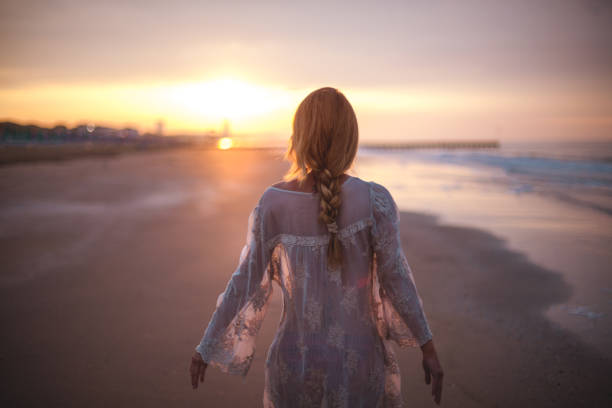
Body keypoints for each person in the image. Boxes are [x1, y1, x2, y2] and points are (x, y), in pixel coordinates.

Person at [190, 87, 443, 407]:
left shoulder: (274, 202)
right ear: (349, 139)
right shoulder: (374, 200)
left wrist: (208, 344)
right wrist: (428, 348)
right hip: (357, 363)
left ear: (299, 137)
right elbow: (397, 281)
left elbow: (245, 281)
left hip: (295, 362)